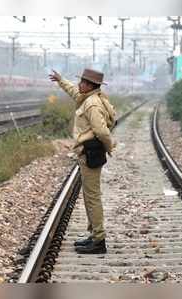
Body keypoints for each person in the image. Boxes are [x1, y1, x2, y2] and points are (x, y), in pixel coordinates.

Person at [49, 68, 116, 254]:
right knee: (89, 196)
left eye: (82, 82)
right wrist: (61, 80)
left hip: (90, 153)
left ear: (89, 85)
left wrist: (110, 147)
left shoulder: (92, 104)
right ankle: (94, 236)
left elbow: (102, 131)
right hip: (89, 152)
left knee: (92, 197)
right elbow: (73, 91)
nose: (79, 84)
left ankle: (99, 240)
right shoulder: (90, 97)